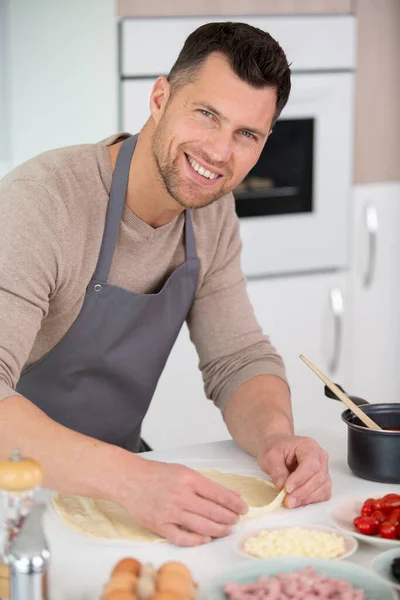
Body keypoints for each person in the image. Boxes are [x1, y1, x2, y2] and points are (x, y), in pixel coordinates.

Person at [0, 22, 331, 546]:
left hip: (112, 491)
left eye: (247, 134)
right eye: (206, 115)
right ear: (160, 98)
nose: (220, 153)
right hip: (11, 499)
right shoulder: (44, 203)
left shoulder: (211, 214)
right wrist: (132, 479)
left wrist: (276, 438)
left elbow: (238, 357)